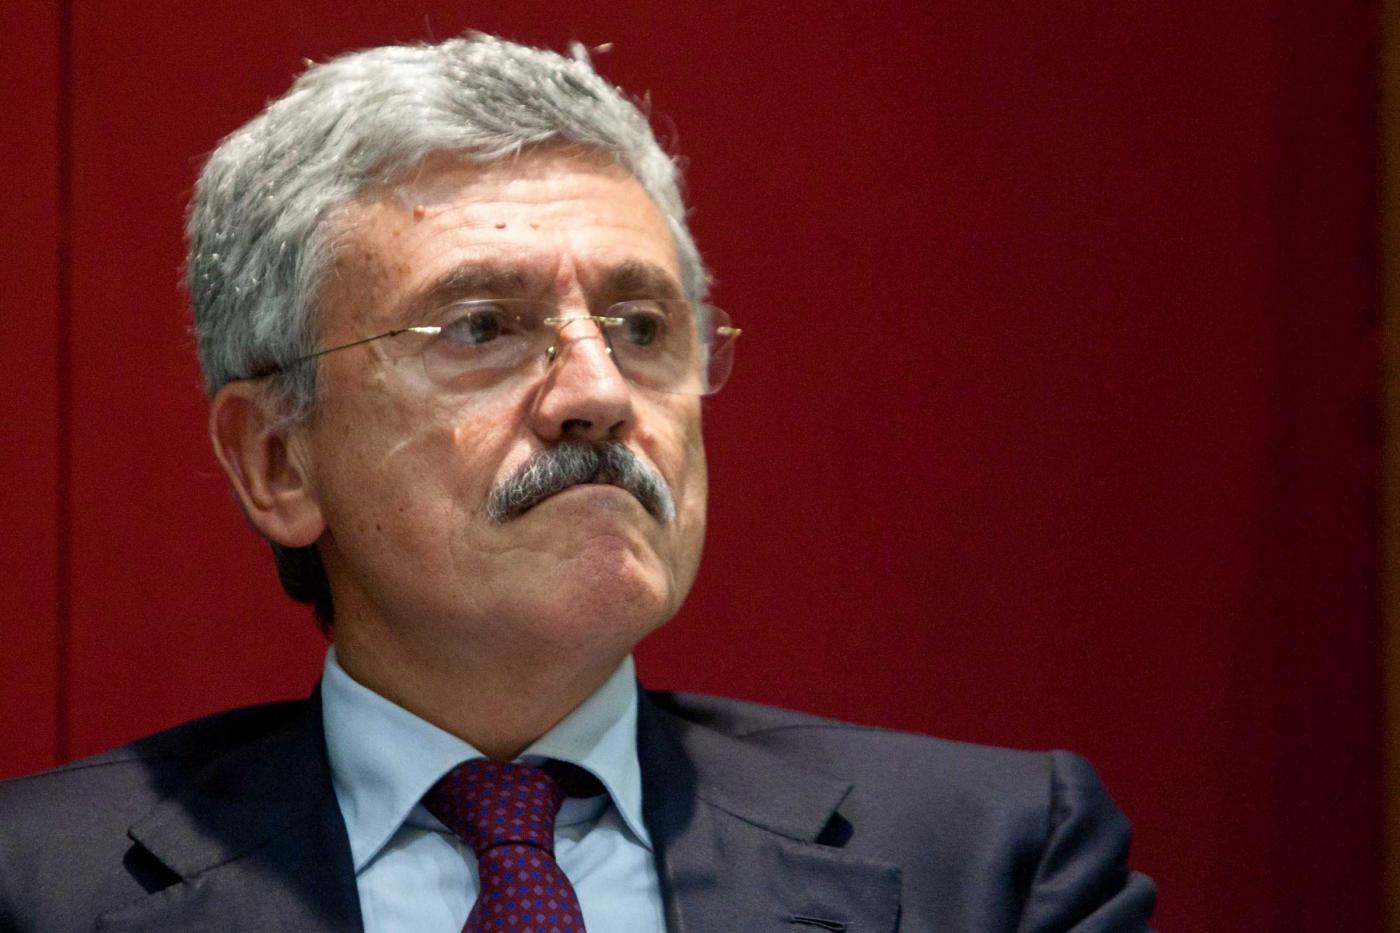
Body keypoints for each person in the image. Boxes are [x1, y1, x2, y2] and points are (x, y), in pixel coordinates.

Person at [0, 33, 1154, 932]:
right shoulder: (33, 886)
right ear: (276, 458)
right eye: (481, 326)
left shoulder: (996, 865)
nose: (597, 392)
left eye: (642, 325)